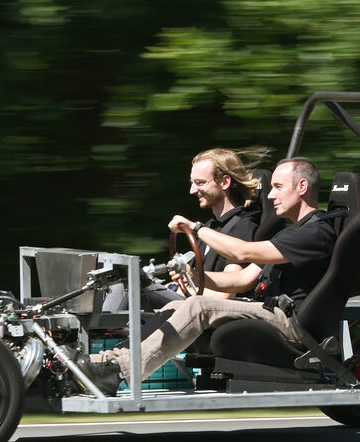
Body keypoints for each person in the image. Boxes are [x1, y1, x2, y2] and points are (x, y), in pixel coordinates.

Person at [89, 157, 339, 392]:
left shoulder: (314, 233)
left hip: (291, 324)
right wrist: (195, 277)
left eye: (278, 187)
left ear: (302, 186)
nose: (271, 195)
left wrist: (195, 227)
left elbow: (241, 253)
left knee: (198, 306)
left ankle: (118, 373)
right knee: (178, 305)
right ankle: (102, 361)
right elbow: (243, 279)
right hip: (271, 310)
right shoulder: (291, 234)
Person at [104, 147, 269, 312]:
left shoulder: (242, 226)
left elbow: (227, 295)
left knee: (126, 285)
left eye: (200, 183)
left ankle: (97, 332)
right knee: (111, 282)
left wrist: (178, 288)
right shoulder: (212, 227)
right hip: (190, 301)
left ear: (225, 182)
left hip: (207, 310)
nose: (192, 190)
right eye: (192, 183)